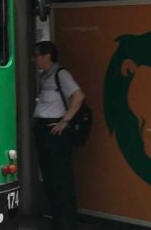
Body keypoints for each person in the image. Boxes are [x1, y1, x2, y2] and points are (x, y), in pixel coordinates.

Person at [32, 41, 85, 230]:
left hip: (54, 130)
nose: (34, 59)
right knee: (49, 176)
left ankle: (66, 221)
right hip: (43, 130)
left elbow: (78, 95)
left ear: (47, 56)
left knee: (61, 177)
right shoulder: (44, 75)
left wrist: (65, 120)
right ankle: (56, 218)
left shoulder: (61, 74)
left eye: (37, 55)